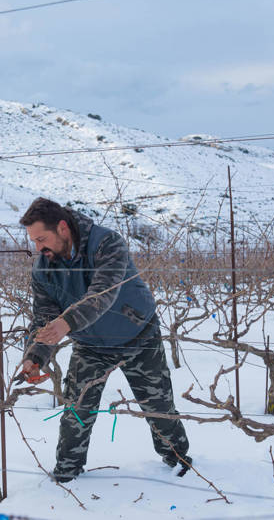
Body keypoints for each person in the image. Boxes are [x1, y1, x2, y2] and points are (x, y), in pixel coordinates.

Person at [19, 197, 191, 483]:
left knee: (158, 408)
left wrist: (66, 322)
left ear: (62, 228)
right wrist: (34, 356)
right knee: (76, 410)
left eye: (41, 239)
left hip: (138, 335)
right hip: (90, 345)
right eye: (34, 241)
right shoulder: (43, 269)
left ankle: (179, 462)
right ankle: (66, 475)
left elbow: (104, 294)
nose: (38, 248)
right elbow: (44, 318)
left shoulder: (107, 244)